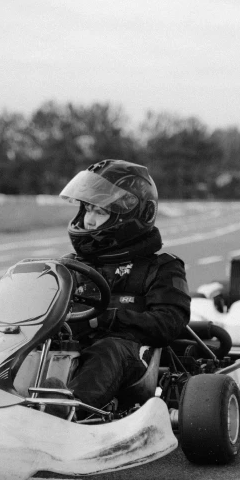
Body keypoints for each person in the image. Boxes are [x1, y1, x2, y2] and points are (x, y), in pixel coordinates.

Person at [45, 159, 191, 413]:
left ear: (132, 216)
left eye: (99, 212)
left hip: (132, 360)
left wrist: (104, 320)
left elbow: (169, 322)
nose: (89, 221)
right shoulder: (68, 267)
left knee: (108, 348)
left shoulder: (162, 268)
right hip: (70, 352)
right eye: (87, 210)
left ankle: (68, 409)